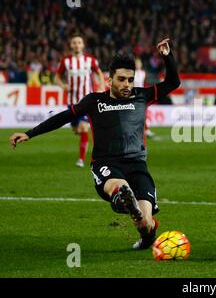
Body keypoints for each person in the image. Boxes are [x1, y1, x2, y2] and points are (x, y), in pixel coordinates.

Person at [10, 38, 180, 250]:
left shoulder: (142, 96)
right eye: (121, 79)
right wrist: (30, 133)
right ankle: (124, 197)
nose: (126, 84)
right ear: (109, 80)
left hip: (138, 165)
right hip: (106, 164)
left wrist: (167, 56)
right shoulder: (94, 101)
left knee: (145, 224)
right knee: (119, 188)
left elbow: (173, 83)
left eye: (130, 80)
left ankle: (146, 235)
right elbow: (63, 117)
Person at [54, 33, 106, 168]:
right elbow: (56, 78)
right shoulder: (65, 61)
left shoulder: (90, 60)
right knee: (76, 129)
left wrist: (101, 84)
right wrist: (63, 85)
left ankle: (81, 159)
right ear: (71, 45)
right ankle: (79, 134)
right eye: (74, 42)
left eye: (79, 42)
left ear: (83, 45)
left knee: (84, 128)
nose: (76, 44)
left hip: (86, 100)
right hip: (72, 101)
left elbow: (99, 72)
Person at [134, 57, 156, 139]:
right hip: (134, 96)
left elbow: (145, 84)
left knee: (144, 114)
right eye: (136, 63)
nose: (138, 65)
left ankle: (146, 130)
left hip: (142, 96)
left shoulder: (143, 73)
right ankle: (138, 131)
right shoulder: (132, 73)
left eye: (139, 63)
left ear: (141, 64)